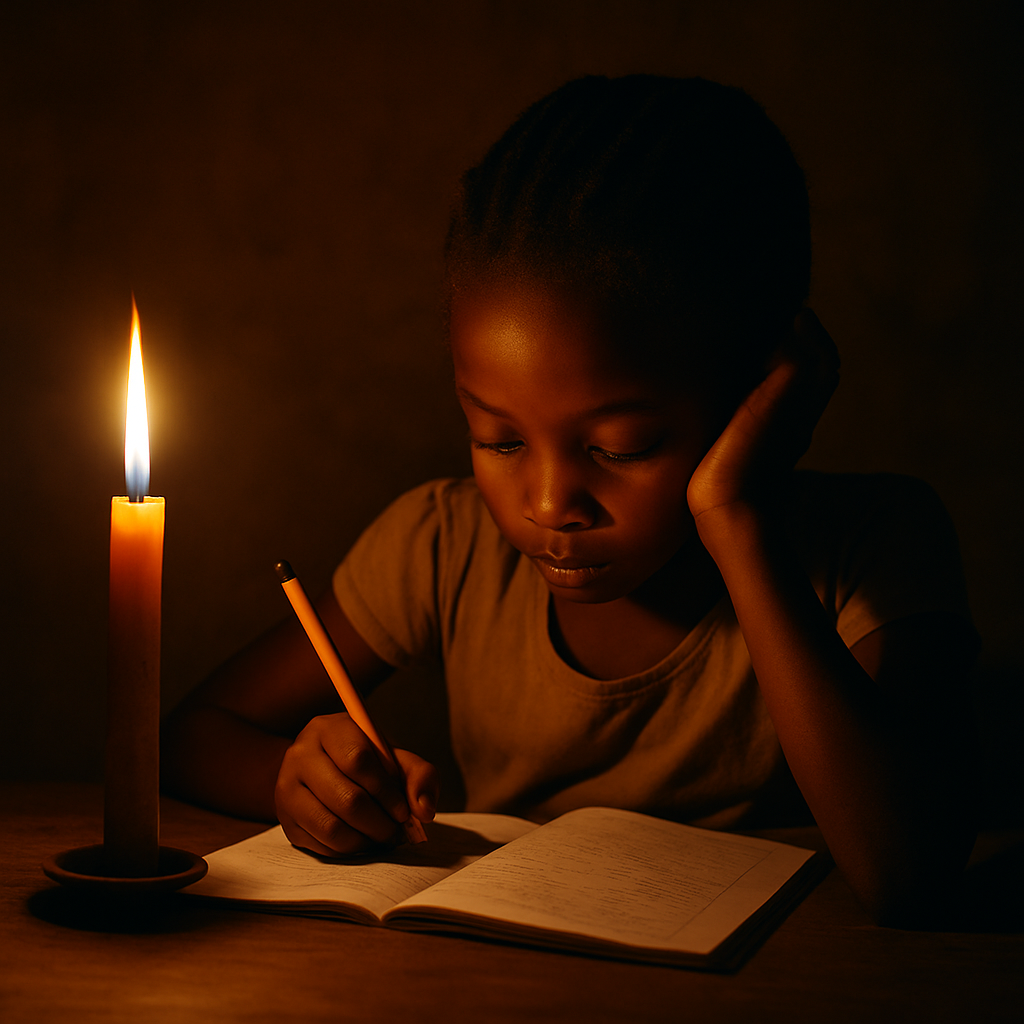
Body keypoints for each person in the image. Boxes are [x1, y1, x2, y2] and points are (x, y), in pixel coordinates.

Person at [161, 75, 979, 925]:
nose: (551, 503)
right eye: (499, 439)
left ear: (757, 393)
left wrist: (740, 518)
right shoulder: (444, 547)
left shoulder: (873, 548)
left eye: (618, 447)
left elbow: (910, 872)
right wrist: (305, 783)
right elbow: (189, 736)